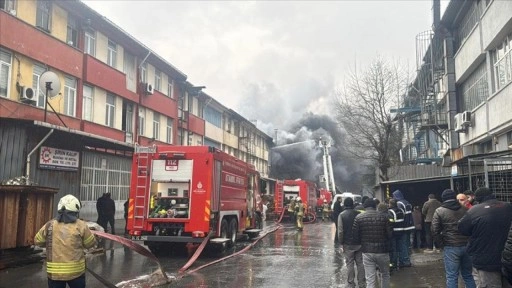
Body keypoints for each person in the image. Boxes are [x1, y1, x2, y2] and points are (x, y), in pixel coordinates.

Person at [34, 194, 97, 288]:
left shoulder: (49, 225)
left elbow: (38, 241)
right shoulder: (81, 225)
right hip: (76, 273)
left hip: (55, 274)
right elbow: (90, 244)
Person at [458, 187, 512, 287]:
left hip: (485, 259)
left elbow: (462, 229)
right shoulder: (508, 206)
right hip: (507, 257)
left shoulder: (474, 210)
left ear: (477, 198)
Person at [431, 189, 475, 288]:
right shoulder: (465, 209)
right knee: (468, 275)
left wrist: (441, 244)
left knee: (452, 276)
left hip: (450, 246)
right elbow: (472, 226)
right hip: (466, 245)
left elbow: (434, 230)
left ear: (443, 199)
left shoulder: (439, 211)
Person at [353, 199, 393, 288]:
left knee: (370, 278)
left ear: (365, 206)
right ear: (375, 206)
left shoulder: (359, 218)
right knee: (385, 274)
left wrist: (363, 243)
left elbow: (355, 236)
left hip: (367, 251)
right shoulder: (384, 217)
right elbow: (390, 234)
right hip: (383, 251)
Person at [337, 198, 365, 288]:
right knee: (360, 263)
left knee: (350, 263)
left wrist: (341, 242)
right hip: (359, 243)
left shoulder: (341, 215)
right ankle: (362, 283)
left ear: (345, 205)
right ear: (352, 204)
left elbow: (340, 231)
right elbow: (362, 229)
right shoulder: (359, 214)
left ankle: (351, 283)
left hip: (348, 243)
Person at [392, 190, 414, 264]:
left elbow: (400, 214)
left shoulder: (399, 203)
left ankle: (404, 261)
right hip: (410, 226)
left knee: (402, 244)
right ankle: (407, 259)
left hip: (404, 226)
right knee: (407, 244)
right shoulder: (406, 202)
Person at [388, 198, 406, 270]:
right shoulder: (401, 210)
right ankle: (402, 263)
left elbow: (390, 223)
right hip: (402, 231)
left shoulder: (391, 212)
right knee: (401, 248)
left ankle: (394, 264)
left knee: (394, 249)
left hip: (394, 233)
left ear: (391, 204)